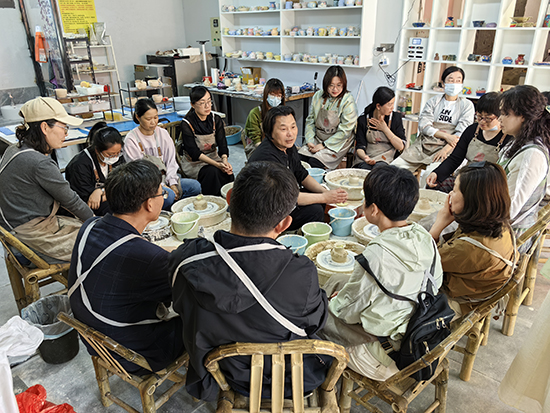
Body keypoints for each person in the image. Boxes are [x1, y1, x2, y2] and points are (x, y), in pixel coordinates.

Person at [170, 161, 332, 401]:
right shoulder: (301, 273)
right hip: (288, 376)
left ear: (229, 200)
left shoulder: (188, 259)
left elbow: (179, 306)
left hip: (220, 372)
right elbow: (314, 324)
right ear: (284, 224)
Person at [321, 164, 443, 381]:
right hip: (418, 334)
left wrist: (335, 302)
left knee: (316, 312)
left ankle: (317, 369)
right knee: (339, 281)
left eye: (365, 200)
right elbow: (435, 282)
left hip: (387, 358)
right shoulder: (424, 237)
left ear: (374, 210)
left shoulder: (376, 255)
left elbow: (347, 312)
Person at [68, 159, 184, 375]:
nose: (164, 196)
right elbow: (184, 295)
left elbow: (132, 252)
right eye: (162, 193)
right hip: (131, 352)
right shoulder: (150, 258)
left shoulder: (89, 225)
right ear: (150, 204)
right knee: (203, 313)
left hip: (95, 340)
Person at [0, 97, 93, 262]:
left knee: (89, 231)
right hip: (26, 240)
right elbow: (71, 201)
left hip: (16, 229)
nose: (66, 133)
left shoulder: (15, 148)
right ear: (44, 127)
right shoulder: (39, 163)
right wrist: (96, 222)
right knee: (100, 244)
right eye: (64, 127)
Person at [429, 162, 516, 318]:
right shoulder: (500, 224)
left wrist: (438, 225)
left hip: (458, 302)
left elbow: (423, 261)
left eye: (455, 190)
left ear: (472, 200)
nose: (450, 194)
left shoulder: (467, 248)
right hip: (475, 288)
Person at [249, 106, 348, 231]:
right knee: (315, 210)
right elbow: (286, 197)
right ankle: (299, 237)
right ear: (270, 132)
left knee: (318, 197)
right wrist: (325, 197)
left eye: (293, 127)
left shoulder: (287, 146)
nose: (290, 134)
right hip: (265, 211)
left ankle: (308, 230)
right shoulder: (267, 157)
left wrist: (324, 192)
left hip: (283, 200)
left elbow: (301, 174)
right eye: (283, 129)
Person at [391, 66, 475, 174]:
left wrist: (445, 150)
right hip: (425, 144)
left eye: (458, 80)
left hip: (450, 148)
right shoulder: (433, 101)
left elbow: (461, 134)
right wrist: (446, 136)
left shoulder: (467, 105)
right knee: (394, 168)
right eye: (450, 80)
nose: (454, 83)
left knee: (431, 174)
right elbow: (424, 126)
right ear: (443, 83)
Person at [426, 92, 512, 192]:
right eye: (479, 116)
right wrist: (436, 173)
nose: (482, 121)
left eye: (488, 118)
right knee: (434, 185)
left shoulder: (508, 138)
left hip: (487, 186)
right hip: (466, 178)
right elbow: (455, 159)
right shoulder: (472, 130)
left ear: (500, 116)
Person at [124, 98, 201, 208]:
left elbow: (171, 162)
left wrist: (173, 183)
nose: (153, 122)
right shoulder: (131, 139)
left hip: (166, 178)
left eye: (155, 117)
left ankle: (174, 209)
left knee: (194, 186)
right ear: (137, 117)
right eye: (148, 119)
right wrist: (162, 186)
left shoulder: (162, 133)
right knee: (168, 196)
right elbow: (139, 173)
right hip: (146, 184)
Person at [497, 85, 550, 243]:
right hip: (497, 221)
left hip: (510, 234)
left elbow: (510, 210)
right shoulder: (516, 142)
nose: (499, 119)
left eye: (505, 114)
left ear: (523, 117)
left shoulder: (532, 155)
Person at [178, 86, 234, 195]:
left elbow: (222, 145)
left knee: (228, 174)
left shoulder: (215, 119)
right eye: (202, 103)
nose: (207, 106)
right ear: (192, 104)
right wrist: (217, 165)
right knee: (212, 173)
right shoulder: (187, 123)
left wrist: (224, 161)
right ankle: (213, 201)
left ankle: (228, 202)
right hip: (194, 163)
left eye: (209, 101)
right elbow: (194, 153)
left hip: (214, 157)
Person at [300, 65, 358, 170]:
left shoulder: (348, 100)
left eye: (339, 85)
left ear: (344, 84)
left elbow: (345, 130)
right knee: (300, 159)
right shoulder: (318, 95)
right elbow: (310, 121)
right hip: (318, 137)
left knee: (314, 162)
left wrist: (324, 145)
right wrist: (309, 140)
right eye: (331, 85)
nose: (335, 89)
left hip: (338, 141)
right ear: (326, 84)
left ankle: (318, 180)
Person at [65, 122, 125, 216]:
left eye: (118, 153)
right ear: (97, 150)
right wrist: (112, 192)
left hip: (110, 198)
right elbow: (89, 200)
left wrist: (101, 191)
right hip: (90, 208)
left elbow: (124, 182)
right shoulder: (79, 165)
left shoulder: (117, 157)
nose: (114, 157)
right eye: (110, 154)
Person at [353, 86, 406, 169]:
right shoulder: (363, 120)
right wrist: (365, 158)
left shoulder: (395, 118)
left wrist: (385, 129)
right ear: (378, 106)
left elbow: (400, 146)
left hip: (386, 160)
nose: (392, 107)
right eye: (389, 105)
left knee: (379, 170)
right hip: (367, 158)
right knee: (364, 170)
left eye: (393, 103)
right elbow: (360, 147)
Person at [243, 78, 286, 158]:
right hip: (259, 148)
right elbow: (257, 141)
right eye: (272, 95)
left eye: (279, 96)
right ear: (266, 95)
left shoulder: (283, 113)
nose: (275, 98)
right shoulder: (255, 113)